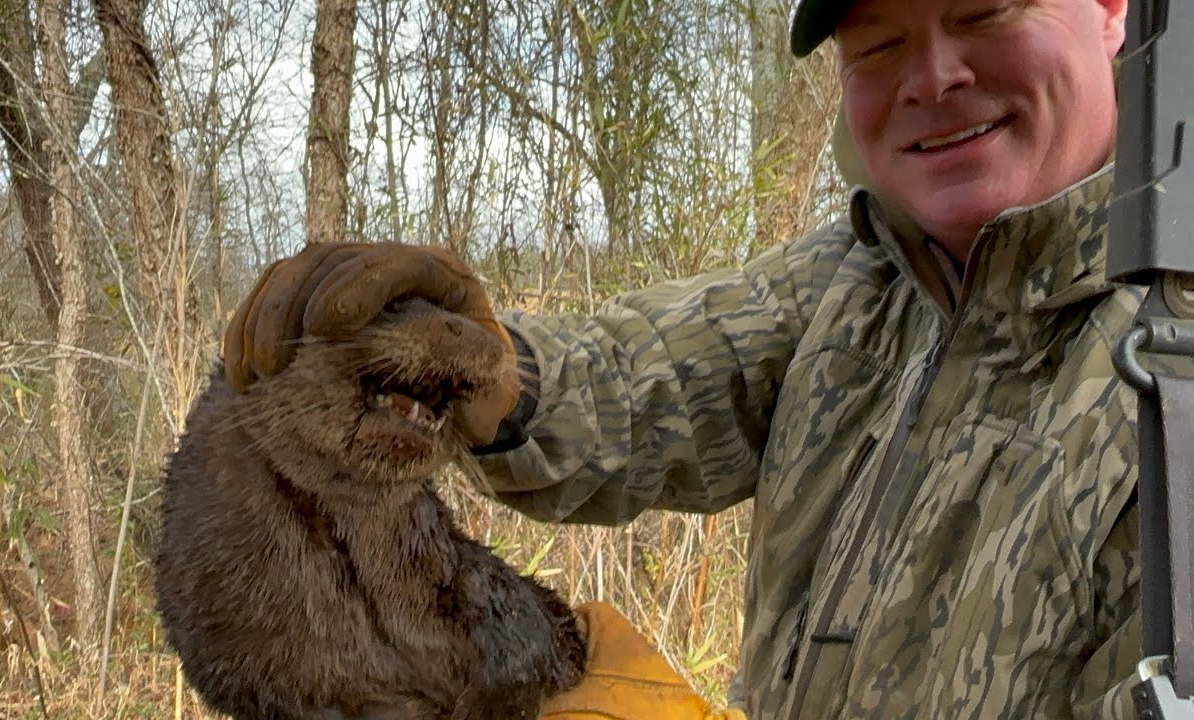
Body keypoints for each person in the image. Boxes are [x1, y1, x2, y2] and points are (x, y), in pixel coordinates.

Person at [220, 0, 1144, 717]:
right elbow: (643, 374)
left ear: (1112, 9)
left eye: (983, 12)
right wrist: (464, 362)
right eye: (878, 45)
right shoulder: (861, 278)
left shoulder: (1165, 382)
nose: (933, 78)